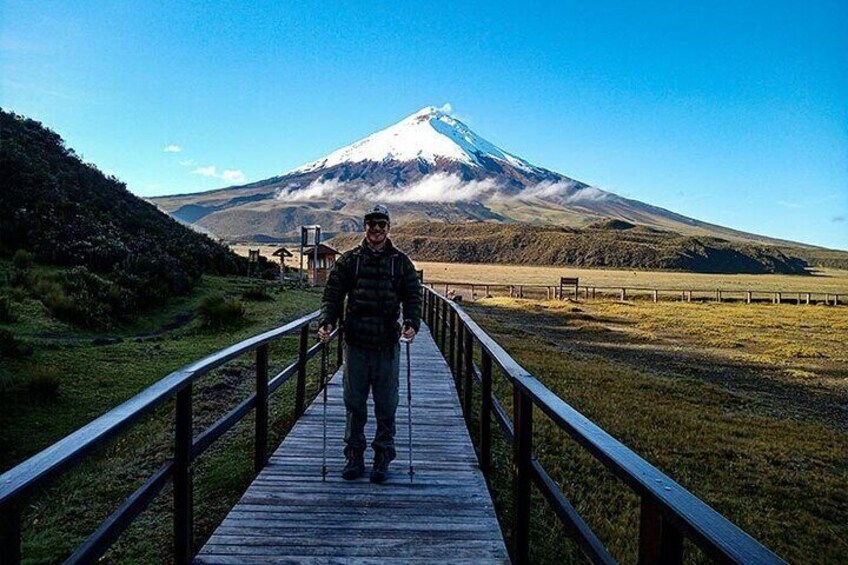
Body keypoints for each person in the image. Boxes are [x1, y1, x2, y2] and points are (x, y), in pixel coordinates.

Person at [317, 204, 422, 483]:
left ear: (389, 228)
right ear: (364, 227)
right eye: (371, 224)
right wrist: (327, 320)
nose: (376, 230)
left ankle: (383, 457)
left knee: (387, 403)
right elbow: (333, 293)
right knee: (354, 403)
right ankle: (354, 456)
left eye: (381, 225)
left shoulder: (400, 262)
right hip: (356, 343)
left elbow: (413, 294)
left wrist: (412, 321)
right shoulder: (351, 261)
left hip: (387, 343)